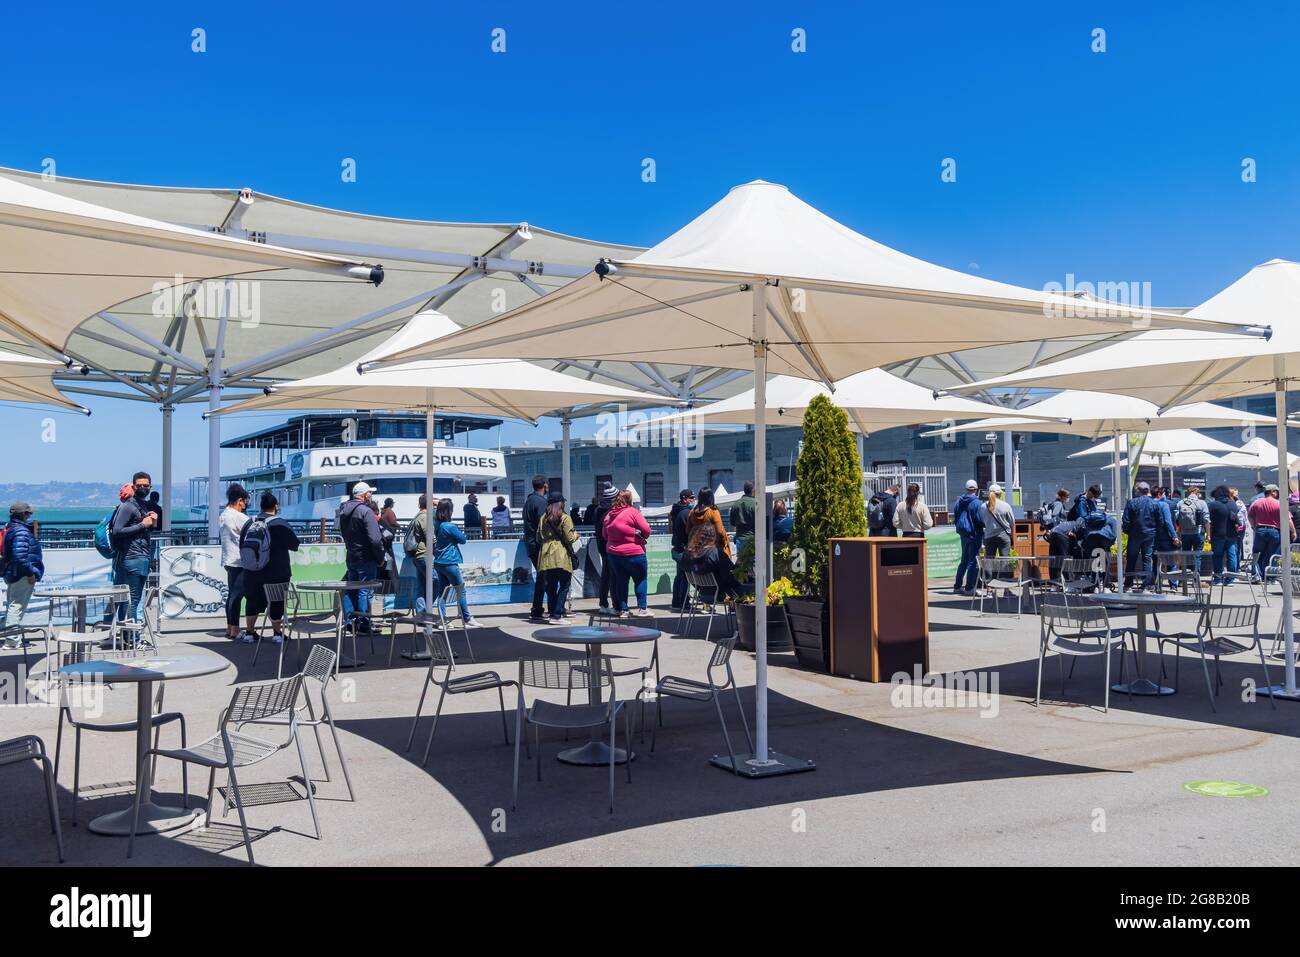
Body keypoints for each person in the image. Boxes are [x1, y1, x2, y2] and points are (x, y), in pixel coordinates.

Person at [237, 491, 300, 643]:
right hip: (277, 572)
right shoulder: (280, 523)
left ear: (261, 506)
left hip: (251, 571)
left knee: (252, 601)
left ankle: (250, 633)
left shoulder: (249, 522)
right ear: (276, 506)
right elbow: (295, 544)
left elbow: (242, 545)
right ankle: (277, 634)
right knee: (276, 601)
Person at [108, 471, 156, 625]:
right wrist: (143, 524)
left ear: (151, 487)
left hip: (142, 557)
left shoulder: (142, 505)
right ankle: (130, 638)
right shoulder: (128, 506)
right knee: (132, 600)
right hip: (132, 558)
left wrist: (151, 523)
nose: (143, 488)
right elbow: (117, 531)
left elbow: (142, 531)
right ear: (134, 486)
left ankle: (122, 634)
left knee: (128, 598)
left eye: (146, 485)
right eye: (139, 485)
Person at [338, 481, 385, 632]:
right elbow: (375, 539)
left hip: (351, 555)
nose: (371, 495)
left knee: (351, 588)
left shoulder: (344, 510)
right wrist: (380, 558)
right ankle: (364, 623)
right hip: (366, 557)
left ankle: (349, 622)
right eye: (370, 493)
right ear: (365, 495)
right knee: (365, 590)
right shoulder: (365, 511)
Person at [432, 497, 481, 628]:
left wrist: (436, 504)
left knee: (443, 592)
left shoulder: (437, 524)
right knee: (461, 590)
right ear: (450, 511)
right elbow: (463, 539)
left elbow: (434, 513)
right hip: (450, 562)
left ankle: (443, 620)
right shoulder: (450, 526)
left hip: (438, 561)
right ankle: (467, 618)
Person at [603, 488, 652, 617]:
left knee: (621, 581)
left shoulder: (609, 515)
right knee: (640, 580)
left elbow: (604, 535)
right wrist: (638, 535)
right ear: (629, 500)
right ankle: (642, 608)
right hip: (635, 553)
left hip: (614, 554)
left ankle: (624, 610)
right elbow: (646, 530)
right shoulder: (633, 512)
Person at [2, 502, 42, 641]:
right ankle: (12, 640)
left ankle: (7, 636)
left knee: (12, 606)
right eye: (28, 513)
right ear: (23, 515)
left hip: (12, 572)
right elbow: (20, 557)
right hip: (22, 573)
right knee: (16, 607)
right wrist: (31, 573)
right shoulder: (22, 531)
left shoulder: (10, 527)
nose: (30, 516)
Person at [537, 491, 579, 623]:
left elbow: (538, 537)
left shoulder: (543, 518)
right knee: (565, 585)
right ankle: (557, 615)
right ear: (561, 503)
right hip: (561, 554)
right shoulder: (565, 518)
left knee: (551, 587)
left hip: (546, 554)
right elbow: (569, 538)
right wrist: (576, 536)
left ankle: (552, 613)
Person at [219, 484, 252, 641]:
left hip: (227, 559)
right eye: (245, 503)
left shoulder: (224, 514)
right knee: (237, 596)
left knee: (232, 594)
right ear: (240, 501)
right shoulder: (239, 517)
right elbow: (253, 531)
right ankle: (235, 630)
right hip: (239, 560)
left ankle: (230, 627)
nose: (245, 506)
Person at [1247, 483, 1295, 584]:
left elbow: (1250, 516)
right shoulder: (1279, 504)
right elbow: (1288, 519)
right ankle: (1270, 578)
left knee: (1257, 554)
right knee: (1273, 555)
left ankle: (1256, 575)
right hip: (1275, 531)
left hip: (1260, 530)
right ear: (1273, 492)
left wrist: (1254, 526)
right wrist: (1293, 531)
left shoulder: (1257, 502)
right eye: (1276, 491)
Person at [1122, 481, 1164, 590]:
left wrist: (1128, 532)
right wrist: (1155, 532)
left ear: (1139, 491)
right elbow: (1160, 521)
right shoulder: (1155, 504)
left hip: (1134, 534)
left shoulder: (1132, 503)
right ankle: (1147, 585)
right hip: (1149, 534)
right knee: (1147, 559)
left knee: (1131, 559)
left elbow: (1125, 521)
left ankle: (1128, 584)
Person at [686, 522, 741, 601]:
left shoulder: (691, 555)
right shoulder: (716, 554)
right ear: (713, 536)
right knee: (749, 587)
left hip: (702, 594)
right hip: (721, 594)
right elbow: (731, 574)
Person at [522, 475, 549, 623]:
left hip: (531, 543)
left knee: (544, 577)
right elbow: (544, 524)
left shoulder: (529, 501)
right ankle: (537, 609)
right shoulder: (540, 502)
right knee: (543, 578)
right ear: (544, 486)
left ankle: (542, 608)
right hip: (538, 544)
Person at [952, 479, 984, 595]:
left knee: (964, 560)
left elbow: (955, 517)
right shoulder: (977, 503)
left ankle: (957, 586)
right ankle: (969, 588)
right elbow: (980, 520)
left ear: (966, 489)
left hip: (963, 534)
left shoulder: (959, 501)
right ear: (975, 489)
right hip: (974, 534)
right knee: (972, 561)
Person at [687, 486, 732, 565]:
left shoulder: (692, 513)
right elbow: (720, 532)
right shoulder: (713, 512)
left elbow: (687, 531)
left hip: (697, 551)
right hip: (713, 550)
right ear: (711, 497)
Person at [668, 488, 696, 611]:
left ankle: (676, 602)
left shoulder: (676, 510)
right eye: (691, 498)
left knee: (679, 576)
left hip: (677, 547)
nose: (693, 500)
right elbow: (688, 532)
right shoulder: (685, 513)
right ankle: (684, 603)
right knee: (685, 577)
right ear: (685, 499)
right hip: (683, 548)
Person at [593, 481, 618, 613]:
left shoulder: (598, 510)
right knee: (613, 576)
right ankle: (615, 604)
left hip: (601, 546)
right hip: (611, 545)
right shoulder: (612, 512)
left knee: (606, 575)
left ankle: (603, 603)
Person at [1207, 485, 1240, 586]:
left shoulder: (1213, 505)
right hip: (1232, 535)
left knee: (1217, 556)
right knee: (1232, 556)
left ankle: (1218, 579)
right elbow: (1236, 520)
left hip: (1217, 535)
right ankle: (1230, 579)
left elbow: (1209, 521)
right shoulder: (1233, 504)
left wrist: (1208, 534)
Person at [1177, 486, 1210, 578]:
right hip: (1198, 533)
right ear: (1197, 493)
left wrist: (1178, 534)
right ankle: (1196, 578)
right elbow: (1206, 520)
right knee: (1197, 556)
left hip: (1184, 533)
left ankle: (1184, 578)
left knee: (1185, 555)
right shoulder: (1202, 503)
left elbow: (1177, 520)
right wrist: (1208, 534)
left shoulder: (1181, 502)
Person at [407, 493, 432, 613]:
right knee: (435, 581)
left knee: (422, 586)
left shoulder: (418, 515)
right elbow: (430, 536)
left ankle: (421, 612)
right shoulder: (424, 517)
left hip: (418, 555)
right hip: (424, 554)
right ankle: (426, 610)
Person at [981, 484, 1014, 557]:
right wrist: (1012, 539)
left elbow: (982, 522)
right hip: (1003, 536)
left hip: (989, 536)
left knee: (989, 562)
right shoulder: (1006, 506)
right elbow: (1012, 523)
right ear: (1000, 494)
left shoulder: (983, 507)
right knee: (1004, 561)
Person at [730, 481, 757, 546]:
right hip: (752, 539)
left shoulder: (735, 504)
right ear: (753, 490)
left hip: (739, 539)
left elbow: (732, 523)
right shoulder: (756, 503)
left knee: (741, 556)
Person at [1230, 487, 1248, 570]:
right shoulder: (1241, 503)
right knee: (1238, 547)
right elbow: (1245, 516)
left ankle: (1234, 567)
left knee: (1232, 548)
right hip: (1241, 527)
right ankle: (1237, 566)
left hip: (1233, 527)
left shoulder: (1230, 503)